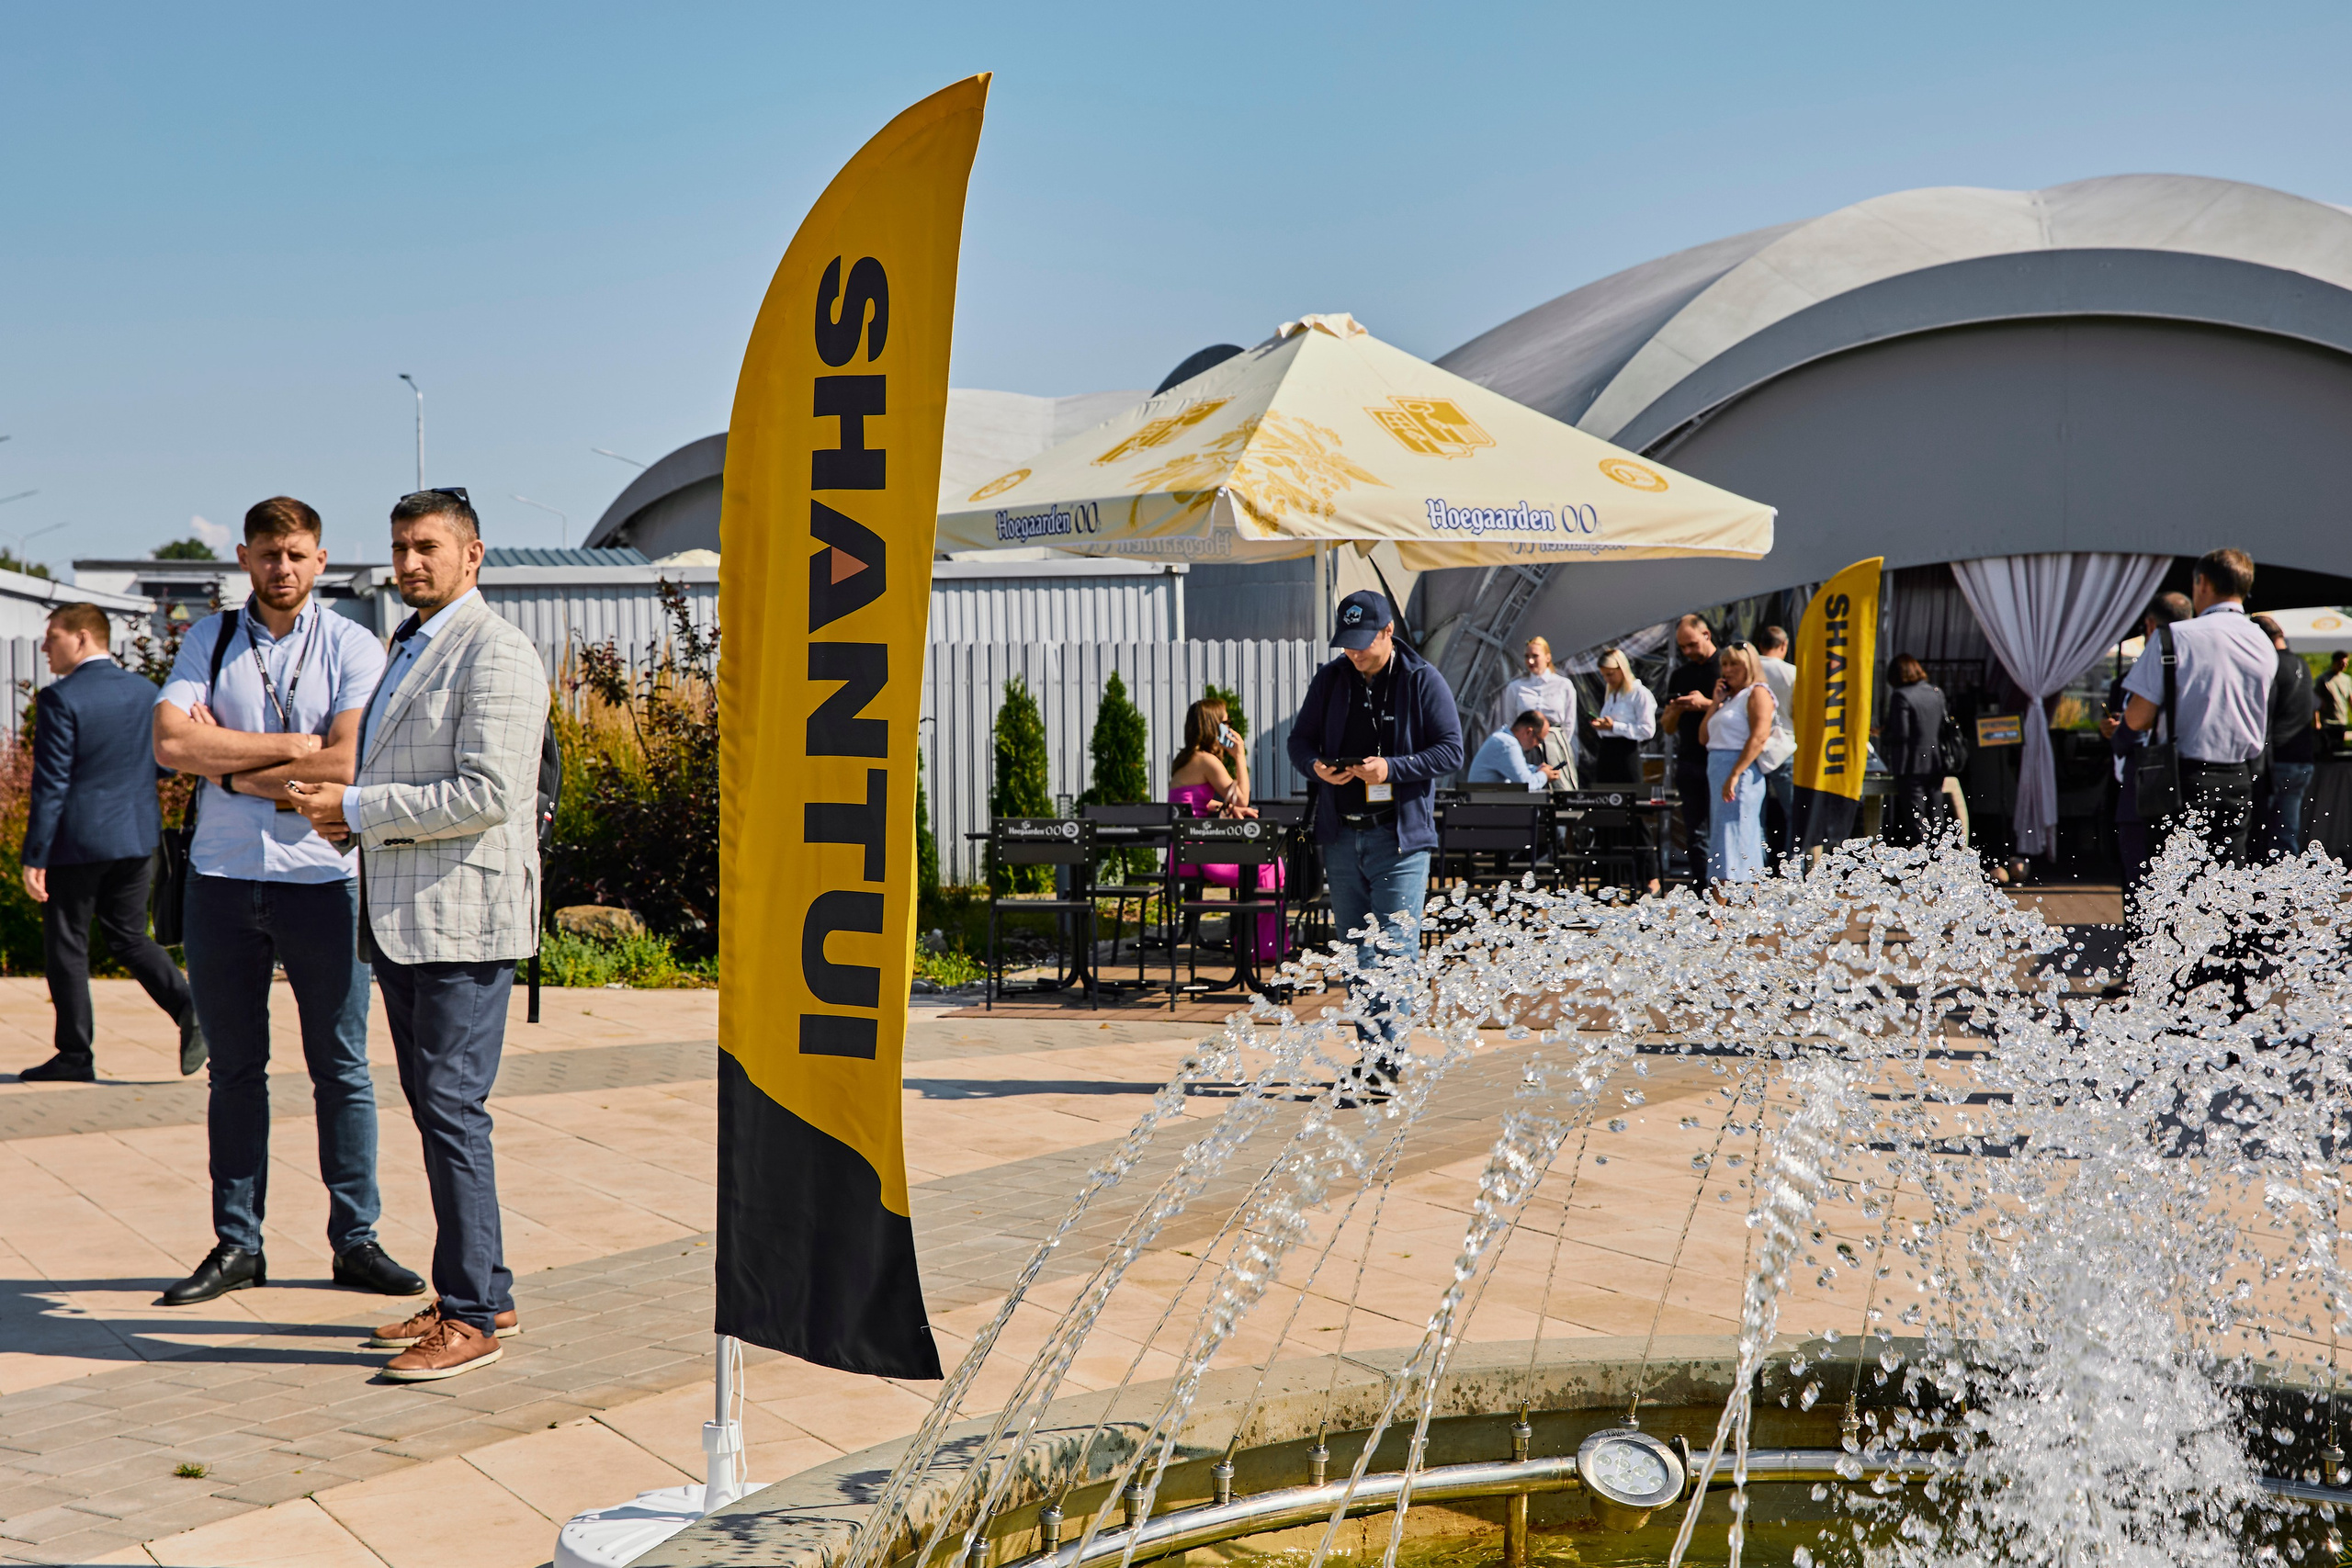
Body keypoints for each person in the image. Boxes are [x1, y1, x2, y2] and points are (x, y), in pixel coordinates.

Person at [288, 488, 548, 1381]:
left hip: (464, 924)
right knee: (438, 1112)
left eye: (428, 547)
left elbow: (486, 793)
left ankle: (472, 1316)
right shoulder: (410, 644)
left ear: (473, 556)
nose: (409, 564)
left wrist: (357, 808)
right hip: (406, 917)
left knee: (451, 1112)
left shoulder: (496, 653)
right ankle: (484, 1288)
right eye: (400, 547)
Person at [150, 496, 422, 1306]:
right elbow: (169, 743)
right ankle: (238, 1243)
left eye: (298, 554)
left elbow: (346, 763)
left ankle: (357, 1240)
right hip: (224, 878)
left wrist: (225, 765)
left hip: (323, 879)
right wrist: (291, 750)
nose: (284, 569)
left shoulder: (350, 644)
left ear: (321, 560)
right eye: (270, 554)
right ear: (244, 557)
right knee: (234, 1071)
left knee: (341, 1068)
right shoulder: (211, 638)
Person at [17, 604, 200, 1083]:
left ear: (80, 638)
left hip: (78, 842)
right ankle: (190, 1009)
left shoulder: (61, 699)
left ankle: (76, 1056)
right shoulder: (147, 693)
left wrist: (35, 854)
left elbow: (51, 783)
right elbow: (165, 763)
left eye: (51, 636)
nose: (44, 647)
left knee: (67, 945)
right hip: (137, 837)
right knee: (129, 937)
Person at [1284, 591, 1463, 1076]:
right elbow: (1298, 741)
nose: (1354, 652)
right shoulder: (1332, 678)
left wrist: (1393, 769)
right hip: (1341, 835)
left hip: (1398, 839)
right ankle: (1373, 1055)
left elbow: (1451, 751)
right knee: (1358, 950)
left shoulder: (1422, 679)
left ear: (1388, 632)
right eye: (1347, 643)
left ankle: (1386, 1062)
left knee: (1394, 949)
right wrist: (1317, 768)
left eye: (1363, 642)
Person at [2120, 548, 2274, 868]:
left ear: (2202, 582)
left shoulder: (2174, 637)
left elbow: (2137, 717)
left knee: (2173, 888)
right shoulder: (2263, 642)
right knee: (2226, 886)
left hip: (2182, 777)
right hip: (2240, 777)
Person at [1168, 697, 1281, 964]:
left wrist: (1220, 807)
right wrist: (1240, 756)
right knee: (1269, 865)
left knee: (1266, 866)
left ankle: (1254, 944)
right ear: (1213, 726)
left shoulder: (1185, 759)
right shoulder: (1207, 760)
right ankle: (1258, 949)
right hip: (1198, 858)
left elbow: (1192, 802)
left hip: (1182, 856)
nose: (1230, 728)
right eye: (1226, 722)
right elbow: (1243, 799)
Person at [2102, 592, 2192, 907]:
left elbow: (2137, 726)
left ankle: (2145, 951)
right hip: (2196, 779)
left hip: (2147, 784)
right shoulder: (2203, 656)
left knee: (2142, 887)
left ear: (2150, 625)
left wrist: (2119, 734)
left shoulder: (2157, 656)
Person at [1697, 642, 1773, 884]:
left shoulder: (1757, 692)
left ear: (1749, 665)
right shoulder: (1731, 698)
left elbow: (1760, 736)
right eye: (1725, 664)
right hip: (1720, 768)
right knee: (1737, 838)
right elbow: (1704, 737)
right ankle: (1750, 908)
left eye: (1734, 664)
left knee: (1731, 837)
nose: (1728, 670)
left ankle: (1717, 912)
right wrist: (1714, 703)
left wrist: (1735, 773)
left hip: (1739, 770)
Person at [1589, 648, 1660, 893]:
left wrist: (1616, 726)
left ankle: (1650, 877)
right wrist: (1602, 726)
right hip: (1607, 755)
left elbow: (1647, 730)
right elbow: (1608, 727)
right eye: (1604, 675)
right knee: (1606, 815)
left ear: (1622, 670)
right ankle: (1610, 880)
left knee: (1635, 817)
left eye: (1611, 674)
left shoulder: (1639, 693)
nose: (1608, 679)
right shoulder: (1612, 694)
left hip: (1627, 756)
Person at [2249, 613, 2316, 859]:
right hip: (2302, 759)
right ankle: (2286, 889)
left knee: (2262, 833)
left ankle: (2267, 892)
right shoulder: (2302, 663)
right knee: (2287, 833)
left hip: (2275, 759)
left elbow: (2261, 713)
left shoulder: (2271, 665)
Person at [1663, 615, 1723, 888]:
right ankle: (1704, 888)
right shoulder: (1680, 675)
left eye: (1691, 644)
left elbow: (1745, 711)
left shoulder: (1726, 666)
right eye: (1682, 647)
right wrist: (1675, 710)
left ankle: (1732, 888)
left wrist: (1706, 704)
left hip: (1722, 758)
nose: (1687, 652)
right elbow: (1667, 727)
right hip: (1689, 760)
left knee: (1724, 827)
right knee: (1695, 832)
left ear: (1707, 635)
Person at [1487, 637, 1577, 790]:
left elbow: (1569, 722)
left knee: (1560, 786)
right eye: (1527, 657)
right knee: (1529, 785)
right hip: (1526, 743)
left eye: (1535, 656)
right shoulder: (1515, 687)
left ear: (1548, 657)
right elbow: (1510, 720)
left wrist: (1557, 742)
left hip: (1554, 741)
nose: (1530, 661)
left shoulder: (1563, 685)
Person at [1880, 654, 1949, 849]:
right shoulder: (1936, 692)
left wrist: (1885, 735)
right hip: (1936, 762)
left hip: (1911, 764)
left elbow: (1902, 733)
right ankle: (1940, 858)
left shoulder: (1901, 696)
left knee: (1917, 817)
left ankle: (1922, 861)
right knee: (1936, 814)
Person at [1753, 626, 1800, 861]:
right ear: (1784, 646)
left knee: (1755, 817)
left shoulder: (1751, 670)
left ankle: (1756, 873)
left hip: (1754, 747)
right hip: (1785, 745)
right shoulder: (1792, 673)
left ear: (1761, 645)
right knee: (1795, 814)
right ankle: (1794, 873)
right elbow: (1799, 712)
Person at [1467, 711, 1558, 787]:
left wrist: (1537, 770)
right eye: (1539, 740)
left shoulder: (1503, 738)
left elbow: (1518, 768)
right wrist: (1544, 775)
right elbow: (1526, 785)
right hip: (1486, 805)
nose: (1537, 745)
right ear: (1528, 732)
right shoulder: (1507, 744)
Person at [2319, 650, 2352, 754]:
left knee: (2339, 750)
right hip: (2327, 721)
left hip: (2341, 720)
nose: (2344, 666)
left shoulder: (2347, 679)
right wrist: (2317, 721)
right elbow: (2317, 701)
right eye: (2341, 663)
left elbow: (2350, 699)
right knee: (2327, 751)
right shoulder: (2323, 679)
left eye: (2346, 664)